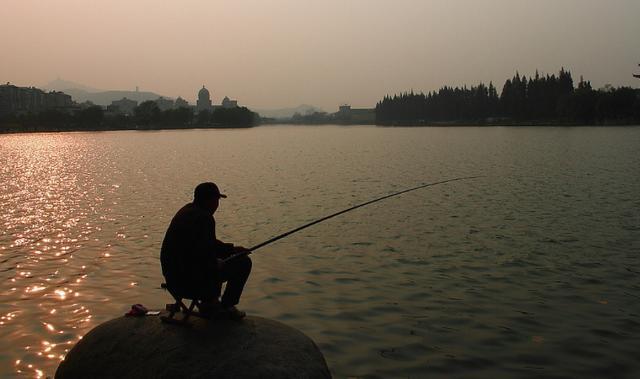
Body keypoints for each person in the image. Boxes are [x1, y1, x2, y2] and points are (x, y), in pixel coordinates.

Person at [160, 182, 252, 320]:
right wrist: (218, 262)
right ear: (209, 200)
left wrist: (232, 250)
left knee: (219, 262)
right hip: (189, 283)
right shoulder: (204, 218)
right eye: (216, 200)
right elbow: (205, 255)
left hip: (173, 281)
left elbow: (206, 245)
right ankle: (224, 306)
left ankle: (209, 303)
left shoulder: (186, 211)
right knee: (243, 263)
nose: (217, 205)